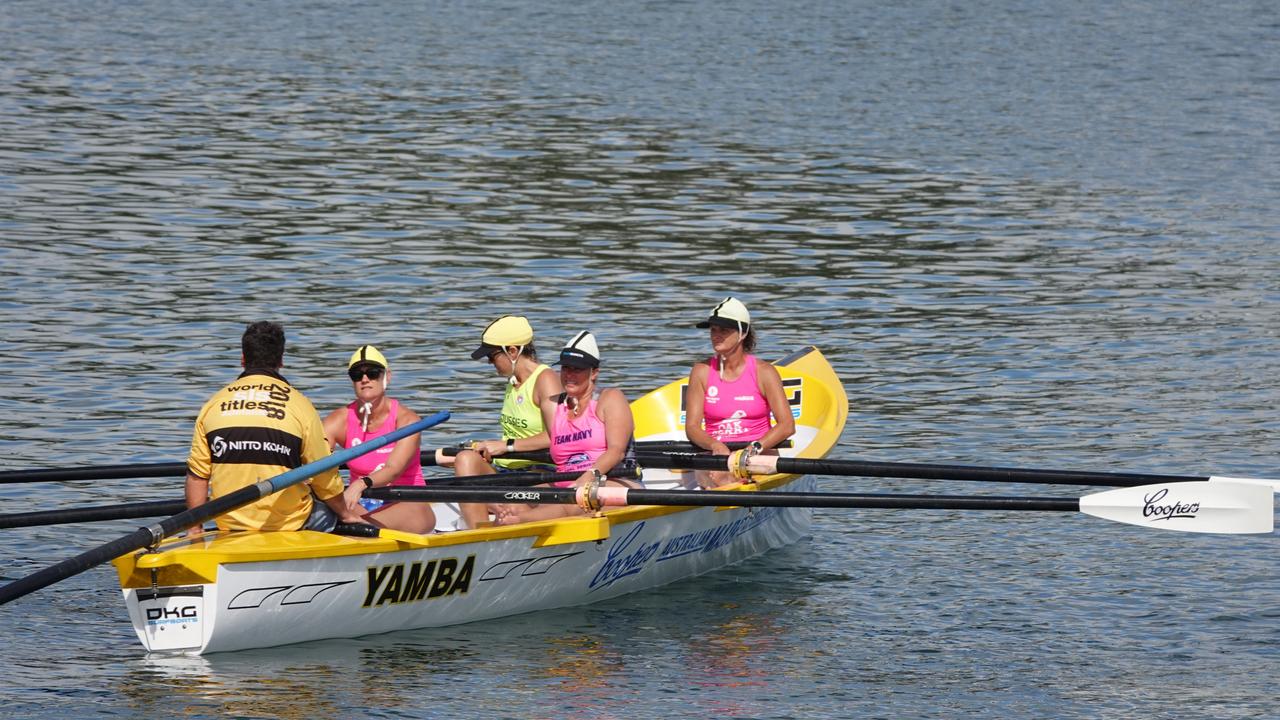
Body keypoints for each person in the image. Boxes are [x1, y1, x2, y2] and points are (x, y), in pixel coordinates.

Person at [185, 321, 364, 536]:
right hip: (289, 524)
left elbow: (197, 477)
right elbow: (323, 474)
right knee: (330, 513)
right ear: (281, 361)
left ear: (243, 359)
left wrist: (194, 529)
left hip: (230, 523)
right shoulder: (300, 405)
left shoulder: (213, 405)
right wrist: (345, 514)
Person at [493, 331, 641, 526]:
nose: (569, 375)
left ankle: (521, 521)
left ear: (594, 372)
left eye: (577, 369)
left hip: (615, 481)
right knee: (513, 502)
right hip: (567, 484)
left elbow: (616, 451)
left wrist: (587, 477)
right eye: (566, 369)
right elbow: (545, 437)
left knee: (577, 499)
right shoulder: (555, 405)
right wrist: (507, 446)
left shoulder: (610, 398)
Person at [436, 315, 562, 528]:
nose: (489, 362)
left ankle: (493, 505)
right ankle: (479, 533)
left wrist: (505, 446)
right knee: (464, 459)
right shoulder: (513, 383)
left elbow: (556, 436)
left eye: (492, 356)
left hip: (541, 474)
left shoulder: (546, 380)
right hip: (507, 472)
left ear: (513, 351)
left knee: (506, 503)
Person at [322, 345, 436, 534]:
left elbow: (393, 470)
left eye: (373, 373)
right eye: (357, 374)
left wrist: (360, 484)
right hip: (361, 505)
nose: (365, 379)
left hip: (408, 504)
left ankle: (353, 532)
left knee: (347, 528)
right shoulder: (339, 420)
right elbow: (314, 459)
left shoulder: (407, 420)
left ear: (387, 377)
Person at [684, 297, 795, 488]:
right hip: (717, 455)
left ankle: (731, 491)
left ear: (743, 333)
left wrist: (753, 448)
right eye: (713, 330)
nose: (715, 335)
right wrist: (715, 445)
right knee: (717, 475)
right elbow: (692, 427)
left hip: (758, 454)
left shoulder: (764, 372)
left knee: (722, 478)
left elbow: (787, 425)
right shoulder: (701, 371)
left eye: (724, 330)